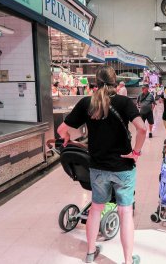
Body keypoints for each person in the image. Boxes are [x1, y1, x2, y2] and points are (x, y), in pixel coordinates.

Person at [57, 65, 146, 264]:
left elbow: (62, 129)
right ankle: (127, 260)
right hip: (123, 166)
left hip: (97, 167)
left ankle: (90, 253)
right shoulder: (124, 102)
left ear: (95, 83)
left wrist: (66, 138)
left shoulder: (86, 103)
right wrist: (136, 152)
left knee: (96, 208)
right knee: (125, 212)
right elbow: (142, 129)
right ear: (115, 81)